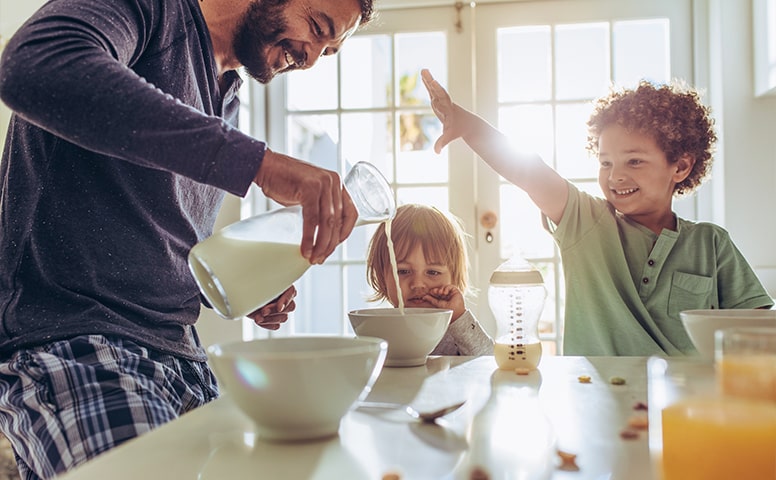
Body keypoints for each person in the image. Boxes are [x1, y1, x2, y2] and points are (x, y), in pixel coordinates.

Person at [0, 0, 375, 477]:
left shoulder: (227, 97)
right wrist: (257, 163)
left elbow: (155, 240)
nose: (312, 58)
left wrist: (236, 287)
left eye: (331, 51)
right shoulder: (151, 12)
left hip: (184, 360)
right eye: (317, 28)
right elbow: (35, 66)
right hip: (76, 343)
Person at [420, 69, 774, 357]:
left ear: (680, 167)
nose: (616, 175)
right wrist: (467, 126)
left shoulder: (711, 243)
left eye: (634, 161)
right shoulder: (585, 224)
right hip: (592, 397)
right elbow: (527, 169)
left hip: (685, 406)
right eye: (606, 162)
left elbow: (759, 331)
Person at [365, 204, 494, 356]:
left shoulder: (457, 330)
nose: (418, 284)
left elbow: (487, 360)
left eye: (432, 272)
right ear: (382, 276)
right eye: (403, 271)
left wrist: (459, 318)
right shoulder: (376, 329)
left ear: (454, 277)